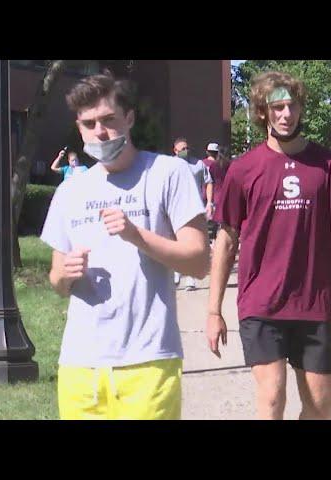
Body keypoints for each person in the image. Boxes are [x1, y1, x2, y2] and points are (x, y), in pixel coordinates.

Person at [40, 74, 209, 420]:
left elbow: (198, 262)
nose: (99, 132)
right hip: (79, 366)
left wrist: (137, 235)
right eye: (89, 124)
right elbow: (56, 280)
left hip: (147, 361)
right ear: (79, 127)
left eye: (108, 120)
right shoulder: (70, 192)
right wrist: (65, 275)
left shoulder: (168, 173)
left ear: (129, 118)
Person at [206, 71, 331, 420]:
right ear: (263, 112)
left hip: (313, 303)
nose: (285, 114)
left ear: (300, 108)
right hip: (260, 303)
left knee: (319, 407)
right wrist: (213, 310)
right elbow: (225, 240)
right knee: (271, 398)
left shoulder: (328, 166)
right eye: (277, 107)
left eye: (291, 105)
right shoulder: (243, 169)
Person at [172, 137, 213, 291]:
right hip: (174, 208)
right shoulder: (169, 166)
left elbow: (209, 182)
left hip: (194, 208)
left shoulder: (198, 164)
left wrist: (210, 202)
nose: (186, 151)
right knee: (176, 242)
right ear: (175, 151)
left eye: (187, 148)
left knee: (192, 243)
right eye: (182, 149)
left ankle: (190, 278)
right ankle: (176, 273)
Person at [206, 146, 232, 246]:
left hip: (217, 195)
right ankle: (225, 240)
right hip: (228, 195)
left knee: (215, 220)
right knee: (226, 221)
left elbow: (210, 181)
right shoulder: (230, 165)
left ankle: (214, 240)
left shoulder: (213, 166)